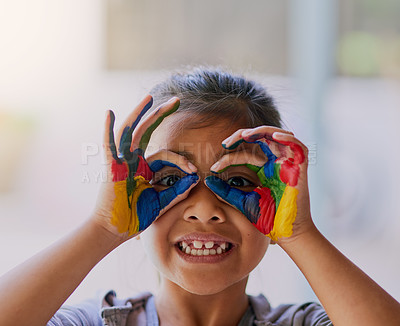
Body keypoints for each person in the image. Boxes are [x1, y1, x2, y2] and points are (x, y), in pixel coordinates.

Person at [1, 68, 399, 326]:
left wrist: (299, 234)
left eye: (239, 183)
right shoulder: (96, 322)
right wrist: (101, 229)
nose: (206, 210)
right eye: (171, 178)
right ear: (131, 199)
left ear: (279, 201)